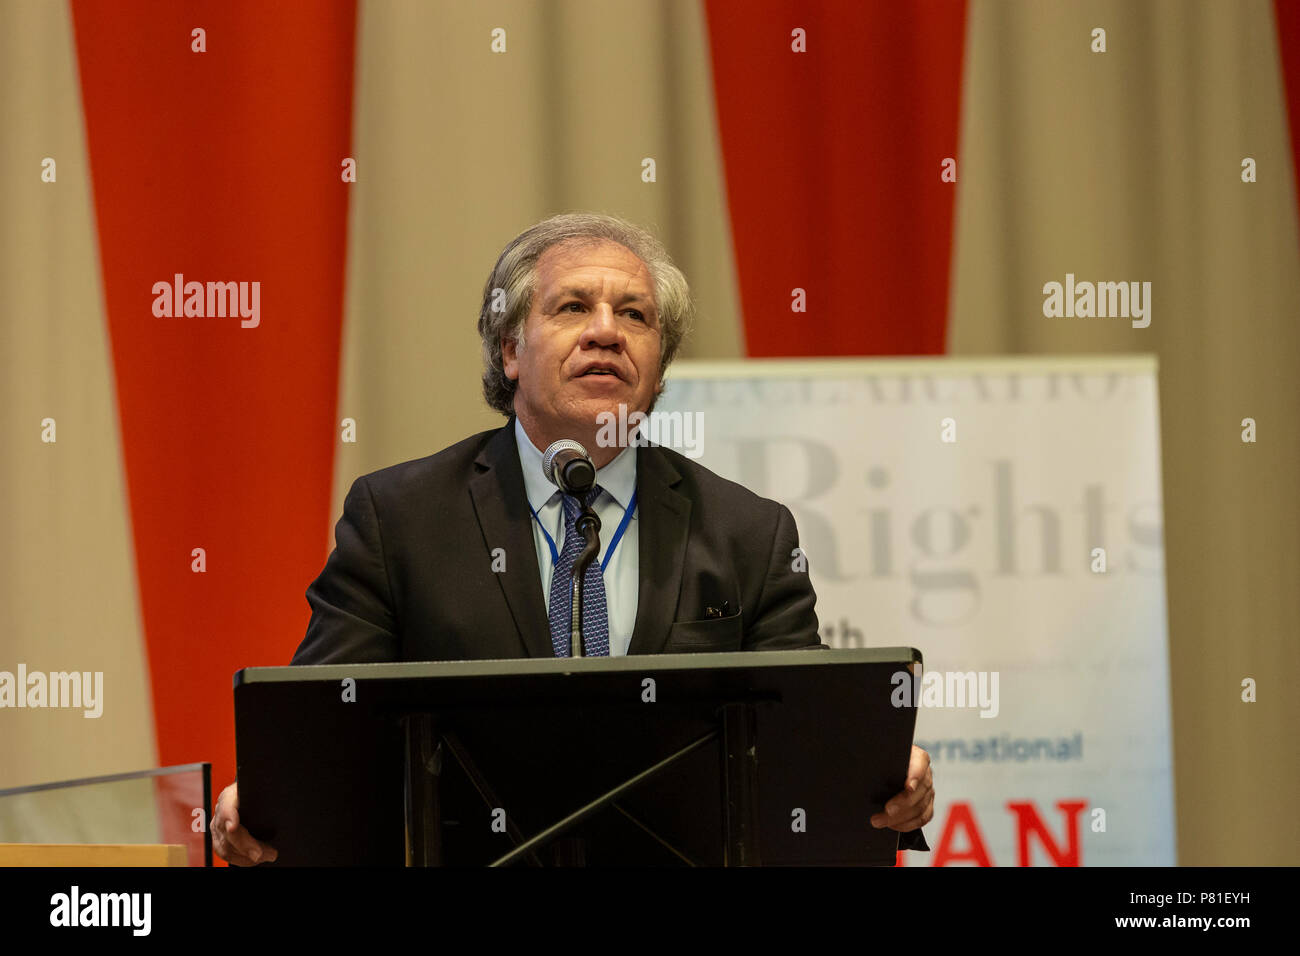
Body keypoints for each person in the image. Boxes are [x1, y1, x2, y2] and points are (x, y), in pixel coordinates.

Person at [212, 212, 934, 865]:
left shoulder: (747, 531)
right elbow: (326, 722)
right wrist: (273, 795)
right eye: (571, 308)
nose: (606, 331)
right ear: (509, 351)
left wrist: (885, 774)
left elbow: (807, 736)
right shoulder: (400, 518)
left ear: (657, 370)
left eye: (634, 315)